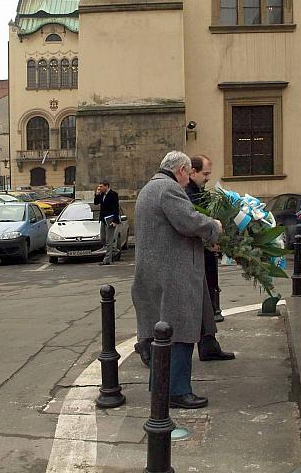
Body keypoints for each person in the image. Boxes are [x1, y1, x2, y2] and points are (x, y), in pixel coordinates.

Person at [131, 151, 222, 409]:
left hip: (157, 272)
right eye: (188, 173)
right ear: (181, 170)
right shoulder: (168, 189)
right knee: (179, 334)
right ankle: (177, 391)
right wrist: (214, 226)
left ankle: (161, 387)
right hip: (173, 275)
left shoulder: (150, 188)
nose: (189, 179)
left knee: (164, 336)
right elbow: (188, 222)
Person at [185, 155, 234, 362]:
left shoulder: (198, 192)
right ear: (192, 172)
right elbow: (191, 223)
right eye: (205, 174)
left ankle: (208, 344)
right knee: (196, 301)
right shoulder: (187, 194)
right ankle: (148, 342)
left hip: (204, 255)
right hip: (195, 258)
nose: (207, 178)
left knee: (205, 300)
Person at [93, 180, 121, 265]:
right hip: (103, 219)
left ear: (106, 186)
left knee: (109, 240)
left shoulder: (113, 194)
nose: (99, 188)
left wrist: (115, 221)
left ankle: (107, 260)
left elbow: (116, 208)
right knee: (103, 239)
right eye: (99, 187)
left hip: (110, 220)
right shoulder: (101, 194)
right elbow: (96, 202)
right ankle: (116, 251)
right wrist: (97, 194)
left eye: (101, 187)